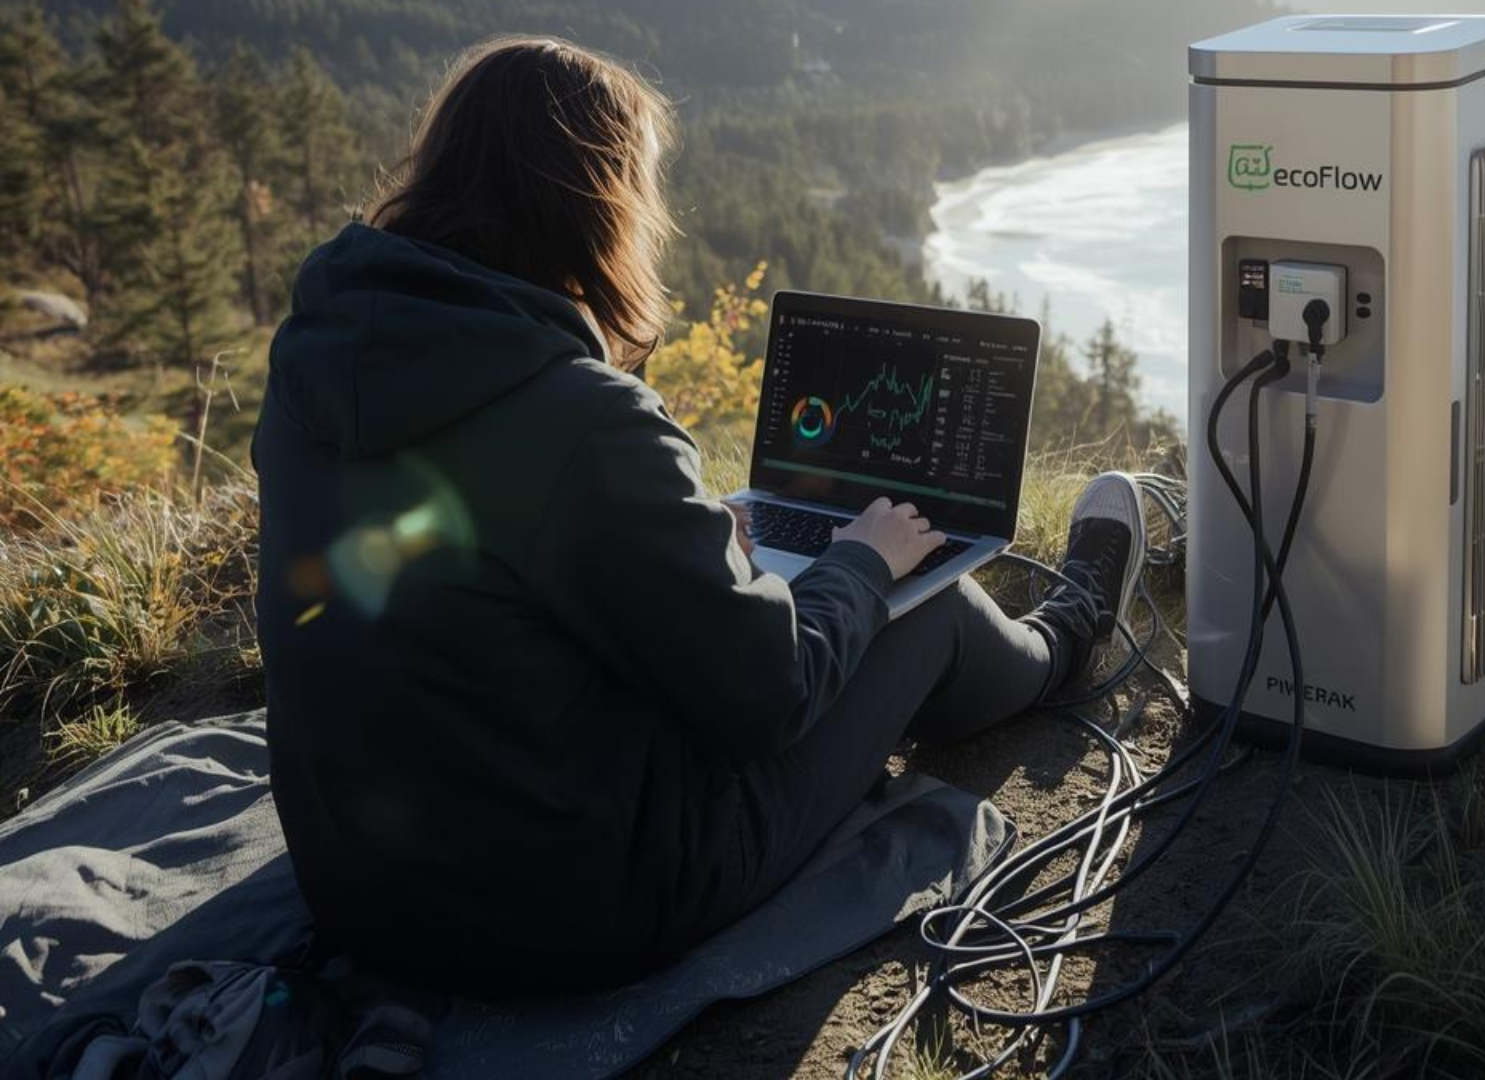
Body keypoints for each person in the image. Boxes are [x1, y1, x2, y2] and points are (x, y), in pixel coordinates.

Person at [252, 36, 1148, 997]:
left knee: (807, 588)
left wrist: (679, 546)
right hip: (573, 912)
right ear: (597, 203)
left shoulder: (321, 356)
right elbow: (770, 696)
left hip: (360, 884)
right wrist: (860, 563)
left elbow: (475, 584)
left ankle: (1017, 634)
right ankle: (1066, 644)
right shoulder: (583, 417)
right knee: (920, 601)